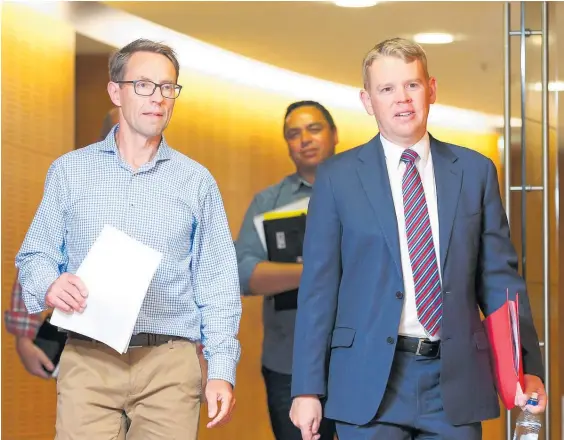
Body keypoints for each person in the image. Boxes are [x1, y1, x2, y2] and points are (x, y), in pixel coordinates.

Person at [289, 37, 546, 440]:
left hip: (454, 381)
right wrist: (307, 388)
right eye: (386, 89)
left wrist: (526, 366)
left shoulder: (475, 172)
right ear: (367, 100)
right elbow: (319, 290)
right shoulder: (337, 178)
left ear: (432, 89)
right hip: (368, 381)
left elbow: (500, 280)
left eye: (411, 85)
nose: (402, 99)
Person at [15, 38, 241, 440]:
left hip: (170, 364)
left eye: (167, 86)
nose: (157, 97)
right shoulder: (69, 172)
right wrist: (49, 283)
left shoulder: (197, 182)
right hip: (88, 357)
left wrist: (221, 370)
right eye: (143, 85)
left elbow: (218, 283)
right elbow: (35, 254)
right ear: (115, 91)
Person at [235, 100, 338, 440]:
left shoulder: (366, 192)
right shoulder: (270, 202)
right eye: (294, 134)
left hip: (359, 358)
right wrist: (316, 271)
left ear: (334, 135)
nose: (304, 139)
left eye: (314, 128)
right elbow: (243, 273)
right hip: (288, 362)